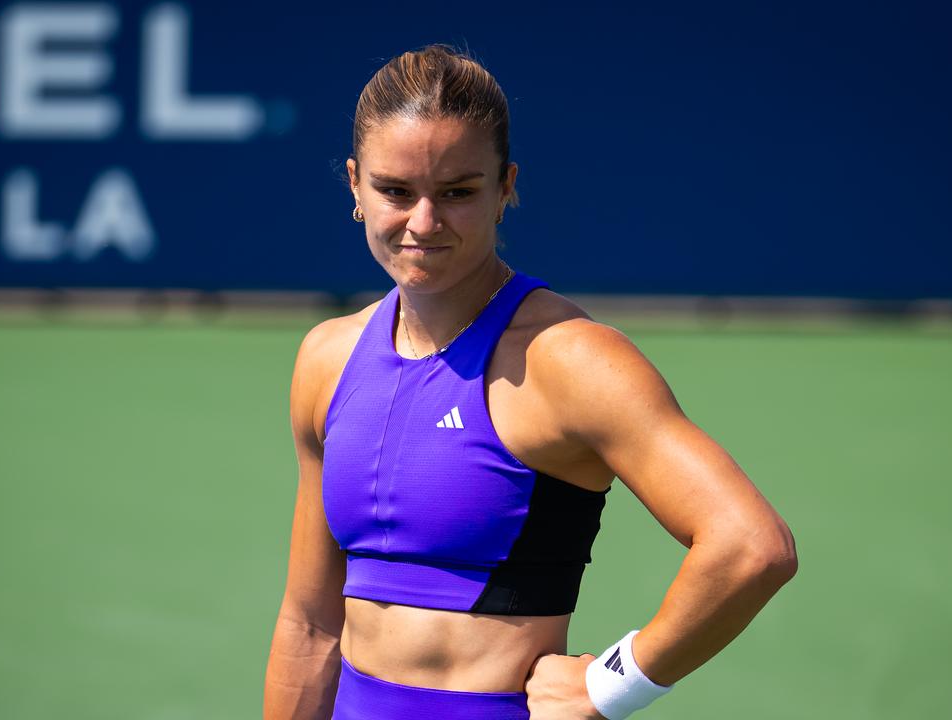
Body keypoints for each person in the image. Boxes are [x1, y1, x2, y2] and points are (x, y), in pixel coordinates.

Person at [264, 45, 797, 720]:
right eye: (396, 191)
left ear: (505, 185)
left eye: (458, 192)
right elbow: (310, 625)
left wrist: (612, 684)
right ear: (354, 184)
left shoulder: (569, 359)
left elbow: (752, 547)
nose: (423, 223)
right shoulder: (327, 358)